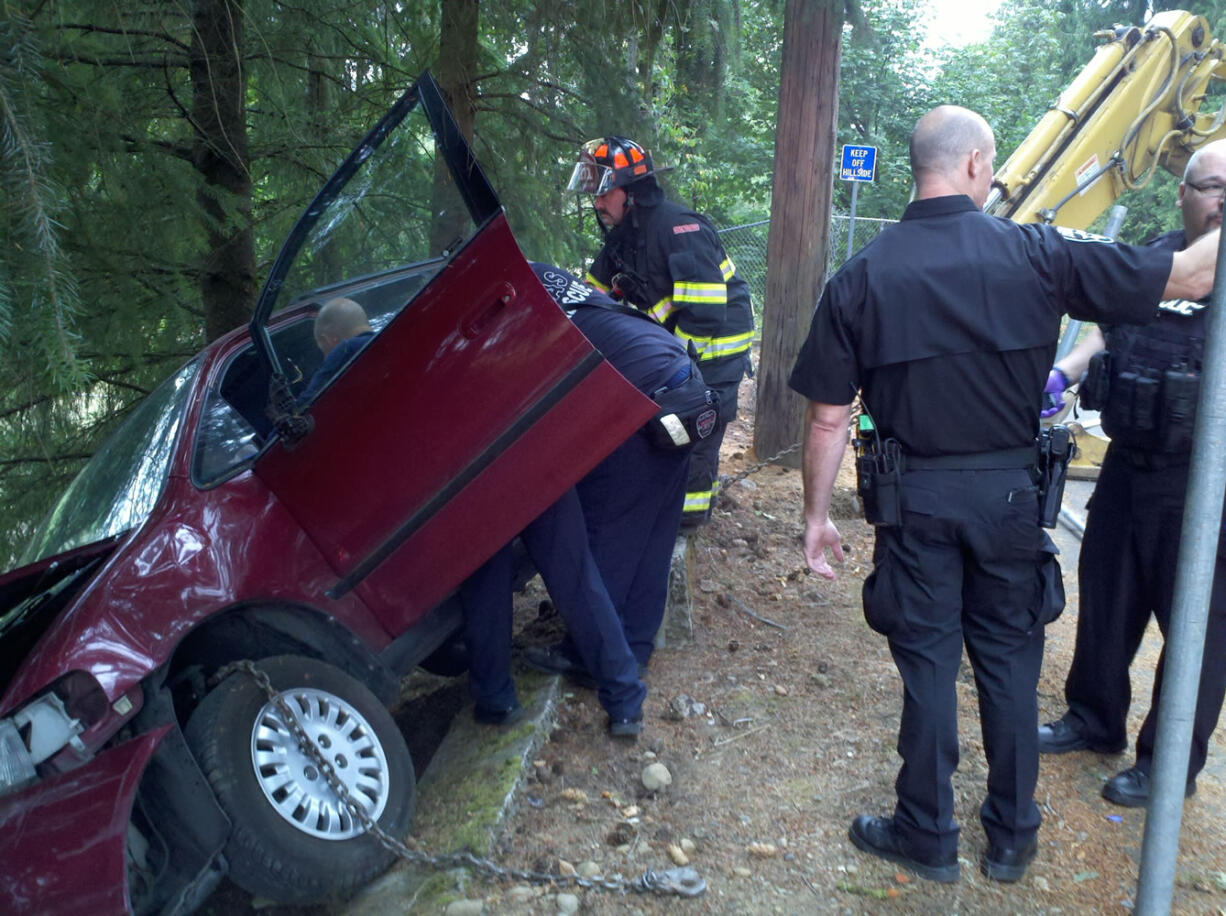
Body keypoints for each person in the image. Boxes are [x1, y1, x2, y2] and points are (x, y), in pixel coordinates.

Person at [788, 105, 1219, 885]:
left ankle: (926, 831)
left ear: (918, 168)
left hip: (913, 501)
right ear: (978, 165)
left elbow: (825, 418)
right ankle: (1013, 837)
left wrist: (816, 519)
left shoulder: (859, 278)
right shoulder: (1039, 253)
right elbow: (1192, 275)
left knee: (926, 667)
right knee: (1010, 663)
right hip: (1012, 503)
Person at [1037, 138, 1226, 808]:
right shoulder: (1160, 258)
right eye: (1211, 185)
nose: (1222, 198)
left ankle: (1168, 761)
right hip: (1128, 464)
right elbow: (1107, 333)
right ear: (1183, 191)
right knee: (1108, 598)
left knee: (1197, 629)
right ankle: (1093, 718)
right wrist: (1065, 372)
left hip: (1207, 485)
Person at [521, 262, 703, 676]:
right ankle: (635, 646)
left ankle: (590, 658)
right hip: (683, 386)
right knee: (655, 528)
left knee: (608, 531)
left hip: (642, 398)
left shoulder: (520, 312)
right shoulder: (545, 278)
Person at [567, 136, 753, 529]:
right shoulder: (623, 238)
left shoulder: (678, 229)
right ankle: (663, 508)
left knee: (695, 424)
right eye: (594, 195)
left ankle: (686, 521)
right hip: (684, 348)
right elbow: (586, 299)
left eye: (604, 194)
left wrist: (676, 370)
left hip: (715, 350)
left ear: (631, 192)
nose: (597, 203)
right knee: (666, 430)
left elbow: (704, 314)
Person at [461, 486, 646, 739]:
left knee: (485, 585)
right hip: (532, 463)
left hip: (472, 479)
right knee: (577, 579)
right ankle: (624, 699)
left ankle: (495, 697)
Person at [298, 297, 374, 402]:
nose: (326, 358)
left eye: (324, 351)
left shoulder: (345, 348)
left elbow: (305, 404)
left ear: (329, 338)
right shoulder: (391, 339)